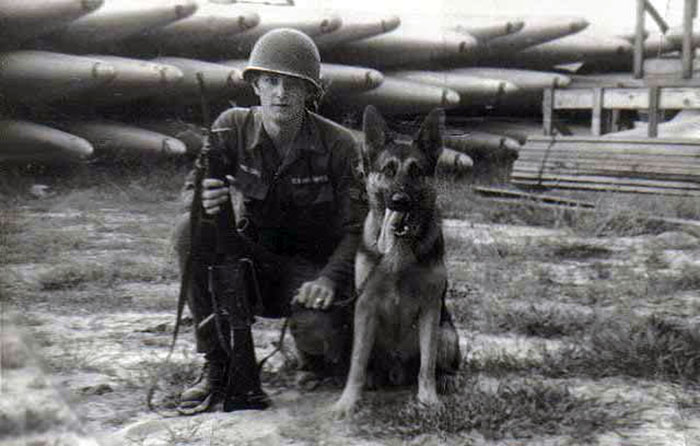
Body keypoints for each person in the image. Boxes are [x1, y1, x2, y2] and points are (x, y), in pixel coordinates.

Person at [173, 28, 366, 413]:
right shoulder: (229, 128)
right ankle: (217, 365)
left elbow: (358, 229)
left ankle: (315, 356)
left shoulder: (339, 145)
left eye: (293, 84)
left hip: (312, 274)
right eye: (271, 81)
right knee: (187, 232)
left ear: (310, 91)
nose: (281, 93)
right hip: (251, 267)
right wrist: (202, 203)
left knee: (323, 339)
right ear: (255, 85)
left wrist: (328, 279)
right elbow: (189, 191)